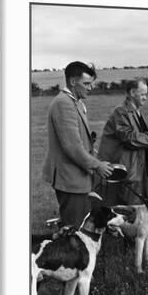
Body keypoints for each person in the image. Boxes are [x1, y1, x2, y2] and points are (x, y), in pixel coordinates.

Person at [42, 61, 113, 228]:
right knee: (75, 226)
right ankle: (69, 251)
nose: (90, 88)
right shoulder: (64, 103)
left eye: (91, 84)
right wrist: (97, 166)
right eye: (86, 84)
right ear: (73, 82)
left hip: (77, 174)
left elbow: (80, 140)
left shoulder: (75, 102)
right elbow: (72, 147)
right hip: (69, 176)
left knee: (81, 220)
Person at [98, 79, 148, 205]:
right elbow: (128, 138)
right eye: (142, 94)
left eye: (146, 94)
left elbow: (141, 137)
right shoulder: (121, 112)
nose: (145, 98)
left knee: (137, 206)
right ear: (132, 92)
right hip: (127, 169)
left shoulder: (136, 112)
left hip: (137, 168)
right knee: (126, 209)